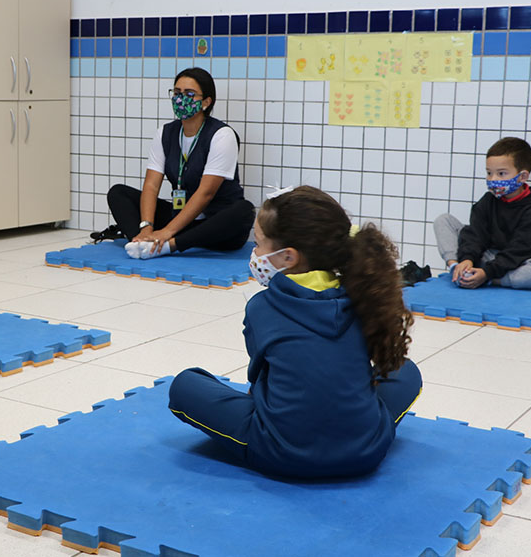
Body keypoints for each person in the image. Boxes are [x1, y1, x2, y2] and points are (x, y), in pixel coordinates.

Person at [167, 186, 422, 479]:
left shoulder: (262, 307)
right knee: (407, 372)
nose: (254, 253)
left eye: (259, 244)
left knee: (185, 385)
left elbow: (259, 382)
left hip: (282, 454)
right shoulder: (362, 297)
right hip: (366, 450)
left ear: (289, 257)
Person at [100, 67, 255, 259]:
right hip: (180, 218)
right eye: (177, 93)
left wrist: (167, 231)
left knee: (244, 211)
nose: (181, 99)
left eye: (190, 94)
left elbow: (206, 193)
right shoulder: (165, 133)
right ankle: (143, 242)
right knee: (119, 193)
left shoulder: (222, 135)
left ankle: (168, 246)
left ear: (206, 102)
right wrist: (146, 226)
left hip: (215, 223)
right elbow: (151, 184)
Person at [433, 137, 531, 290]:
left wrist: (487, 273)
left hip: (514, 263)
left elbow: (520, 250)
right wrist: (467, 258)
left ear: (522, 177)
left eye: (501, 174)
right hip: (486, 256)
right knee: (444, 220)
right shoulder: (488, 201)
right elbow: (475, 234)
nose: (493, 179)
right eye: (489, 173)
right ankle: (458, 269)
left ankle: (489, 280)